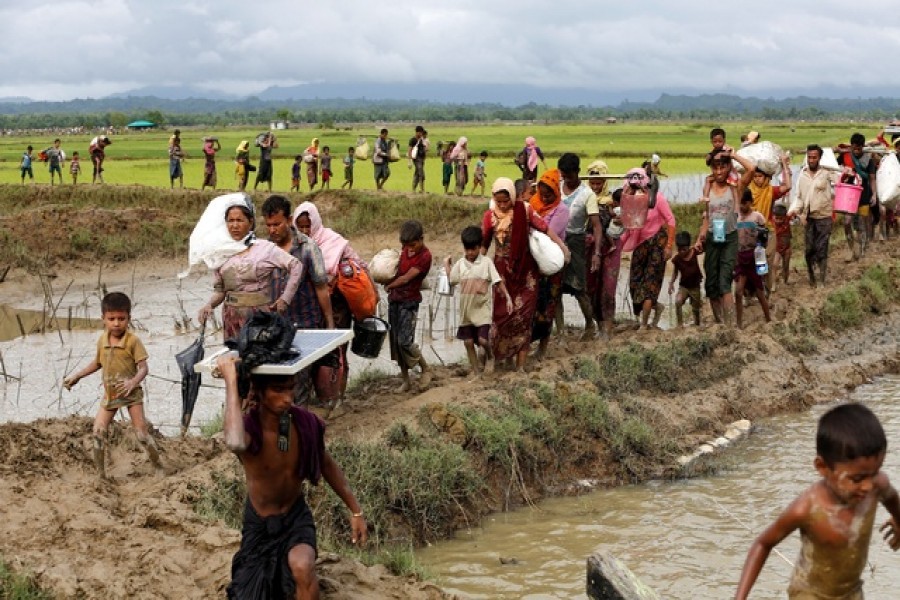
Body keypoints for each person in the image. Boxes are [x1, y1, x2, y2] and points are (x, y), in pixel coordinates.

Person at [217, 352, 367, 600]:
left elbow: (327, 464)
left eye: (290, 389)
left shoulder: (304, 424)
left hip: (295, 518)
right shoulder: (250, 430)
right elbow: (233, 441)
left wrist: (356, 511)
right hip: (259, 524)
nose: (288, 399)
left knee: (302, 567)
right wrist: (232, 382)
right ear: (259, 392)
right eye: (278, 390)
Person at [734, 403, 900, 600]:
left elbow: (892, 500)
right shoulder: (807, 509)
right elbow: (762, 543)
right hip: (809, 594)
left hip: (852, 592)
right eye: (857, 479)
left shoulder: (877, 486)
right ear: (822, 467)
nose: (866, 485)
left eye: (874, 473)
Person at [63, 292, 161, 479]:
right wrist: (77, 376)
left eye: (121, 319)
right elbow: (97, 363)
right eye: (112, 319)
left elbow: (143, 368)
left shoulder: (133, 341)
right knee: (98, 433)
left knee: (141, 434)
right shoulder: (102, 340)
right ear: (103, 319)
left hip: (131, 394)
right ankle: (101, 475)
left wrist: (133, 382)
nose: (116, 323)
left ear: (129, 319)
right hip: (111, 394)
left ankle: (157, 465)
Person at [482, 177, 569, 372]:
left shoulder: (525, 210)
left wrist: (562, 247)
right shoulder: (490, 217)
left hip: (525, 272)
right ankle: (504, 359)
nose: (503, 205)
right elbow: (484, 244)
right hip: (502, 272)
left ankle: (520, 367)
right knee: (502, 316)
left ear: (513, 197)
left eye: (506, 201)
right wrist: (476, 269)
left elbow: (545, 228)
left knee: (524, 316)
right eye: (499, 201)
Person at [294, 201, 376, 401]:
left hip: (337, 307)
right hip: (309, 309)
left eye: (308, 226)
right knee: (310, 351)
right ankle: (316, 395)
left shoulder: (334, 242)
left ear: (316, 223)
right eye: (301, 226)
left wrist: (372, 290)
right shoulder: (294, 245)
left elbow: (360, 265)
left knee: (337, 351)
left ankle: (338, 397)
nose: (305, 230)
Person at [195, 194, 302, 340]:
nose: (234, 225)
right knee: (234, 358)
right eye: (230, 221)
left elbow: (296, 266)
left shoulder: (265, 249)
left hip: (259, 317)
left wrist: (285, 299)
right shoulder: (221, 254)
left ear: (250, 222)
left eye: (239, 220)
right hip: (231, 317)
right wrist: (209, 305)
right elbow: (221, 292)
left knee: (259, 357)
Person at [262, 195, 334, 406]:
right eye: (268, 225)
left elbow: (321, 287)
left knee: (300, 384)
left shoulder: (308, 248)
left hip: (305, 324)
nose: (272, 230)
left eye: (277, 224)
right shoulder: (265, 250)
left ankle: (299, 431)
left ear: (289, 220)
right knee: (278, 383)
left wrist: (329, 325)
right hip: (276, 328)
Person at [444, 226, 511, 379]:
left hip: (482, 310)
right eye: (467, 250)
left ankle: (490, 356)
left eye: (473, 249)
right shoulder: (460, 264)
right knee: (467, 342)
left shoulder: (486, 262)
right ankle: (476, 371)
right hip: (466, 311)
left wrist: (507, 297)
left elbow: (497, 281)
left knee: (482, 340)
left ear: (479, 247)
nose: (470, 253)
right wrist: (447, 265)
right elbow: (452, 280)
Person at [696, 151, 750, 325]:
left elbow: (751, 168)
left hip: (729, 238)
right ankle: (719, 323)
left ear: (728, 168)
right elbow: (707, 216)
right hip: (712, 237)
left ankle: (730, 324)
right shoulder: (708, 188)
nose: (719, 171)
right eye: (715, 167)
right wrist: (700, 237)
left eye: (723, 167)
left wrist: (733, 155)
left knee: (725, 281)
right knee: (711, 284)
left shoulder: (735, 187)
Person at [620, 167, 676, 330]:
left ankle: (644, 324)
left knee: (651, 282)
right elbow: (628, 227)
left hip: (657, 243)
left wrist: (669, 246)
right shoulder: (631, 201)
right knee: (635, 283)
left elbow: (671, 221)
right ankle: (655, 308)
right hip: (640, 244)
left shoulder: (657, 199)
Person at [384, 220, 432, 392]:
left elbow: (406, 278)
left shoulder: (425, 256)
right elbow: (398, 270)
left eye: (413, 245)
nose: (410, 249)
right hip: (395, 300)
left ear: (421, 239)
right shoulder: (405, 250)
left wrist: (390, 285)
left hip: (409, 302)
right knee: (396, 343)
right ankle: (406, 380)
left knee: (405, 341)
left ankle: (425, 369)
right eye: (406, 246)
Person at [558, 153, 601, 340]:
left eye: (569, 175)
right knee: (555, 289)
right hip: (556, 242)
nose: (566, 179)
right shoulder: (555, 188)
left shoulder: (587, 194)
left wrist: (597, 253)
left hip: (576, 242)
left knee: (579, 288)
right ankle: (560, 331)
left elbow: (597, 225)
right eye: (563, 175)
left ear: (577, 172)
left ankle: (590, 326)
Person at [530, 169, 570, 360]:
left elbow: (548, 234)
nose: (545, 199)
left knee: (548, 306)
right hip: (534, 264)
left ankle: (543, 347)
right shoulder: (533, 204)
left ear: (556, 192)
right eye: (542, 194)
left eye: (549, 195)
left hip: (552, 264)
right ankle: (530, 342)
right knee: (532, 304)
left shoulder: (561, 210)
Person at [788, 145, 840, 287]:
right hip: (808, 218)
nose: (811, 160)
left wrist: (847, 173)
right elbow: (799, 197)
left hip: (824, 216)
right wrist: (797, 213)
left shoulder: (826, 173)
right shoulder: (802, 175)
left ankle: (821, 280)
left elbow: (840, 180)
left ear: (819, 158)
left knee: (821, 248)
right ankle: (811, 276)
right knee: (809, 250)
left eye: (814, 157)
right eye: (809, 157)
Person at [585, 161, 623, 340]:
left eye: (598, 183)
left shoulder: (611, 201)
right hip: (590, 247)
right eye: (592, 183)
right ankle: (594, 324)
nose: (595, 186)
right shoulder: (583, 198)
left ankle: (607, 328)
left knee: (608, 287)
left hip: (609, 249)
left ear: (605, 182)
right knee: (590, 287)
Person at [746, 152, 792, 292]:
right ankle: (753, 290)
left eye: (760, 176)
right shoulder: (748, 191)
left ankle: (766, 288)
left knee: (766, 260)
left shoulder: (770, 191)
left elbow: (788, 186)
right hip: (750, 231)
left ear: (766, 177)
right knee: (752, 262)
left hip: (767, 231)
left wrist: (784, 163)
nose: (758, 179)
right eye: (755, 176)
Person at [733, 190, 772, 329]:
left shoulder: (757, 218)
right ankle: (739, 323)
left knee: (759, 290)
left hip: (754, 256)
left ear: (750, 202)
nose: (742, 206)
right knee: (738, 291)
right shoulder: (735, 217)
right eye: (740, 203)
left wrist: (762, 251)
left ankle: (768, 319)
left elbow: (764, 238)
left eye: (745, 203)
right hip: (740, 256)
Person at [836, 133, 878, 260]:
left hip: (864, 196)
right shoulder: (845, 156)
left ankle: (863, 249)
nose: (856, 151)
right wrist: (844, 170)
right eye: (854, 148)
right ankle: (851, 249)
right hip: (849, 196)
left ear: (863, 147)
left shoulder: (868, 159)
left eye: (859, 149)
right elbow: (835, 167)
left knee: (862, 224)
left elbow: (872, 179)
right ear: (851, 146)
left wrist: (874, 194)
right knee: (847, 222)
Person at [668, 231, 703, 328]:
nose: (682, 252)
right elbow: (675, 272)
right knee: (678, 301)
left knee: (696, 307)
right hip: (684, 286)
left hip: (695, 286)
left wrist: (700, 243)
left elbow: (702, 249)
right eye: (679, 249)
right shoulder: (677, 259)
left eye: (684, 249)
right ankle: (680, 324)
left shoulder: (694, 252)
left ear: (689, 247)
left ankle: (697, 323)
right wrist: (671, 283)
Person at [771, 203, 793, 287]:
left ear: (785, 217)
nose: (779, 221)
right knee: (774, 265)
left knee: (786, 265)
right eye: (777, 218)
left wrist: (801, 216)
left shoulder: (787, 219)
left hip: (787, 247)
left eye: (781, 219)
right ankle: (773, 284)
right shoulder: (772, 222)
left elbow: (794, 212)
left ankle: (785, 281)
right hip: (777, 248)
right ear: (773, 216)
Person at [408, 125, 428, 193]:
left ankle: (413, 189)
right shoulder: (413, 140)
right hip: (416, 159)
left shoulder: (421, 140)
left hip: (422, 159)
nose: (421, 134)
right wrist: (409, 161)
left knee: (417, 173)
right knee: (421, 173)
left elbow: (424, 149)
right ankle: (422, 189)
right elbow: (409, 150)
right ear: (417, 132)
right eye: (420, 133)